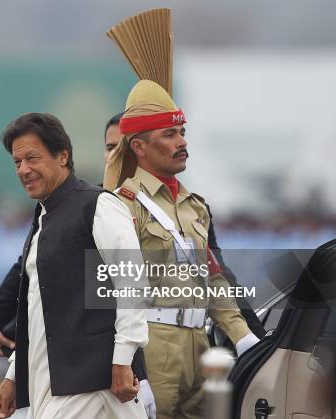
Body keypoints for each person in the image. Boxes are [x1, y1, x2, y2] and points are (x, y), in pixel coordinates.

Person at [102, 78, 261, 419]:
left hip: (201, 346)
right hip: (154, 346)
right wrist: (135, 369)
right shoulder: (123, 206)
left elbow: (213, 280)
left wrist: (243, 337)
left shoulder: (195, 207)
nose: (181, 142)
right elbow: (115, 294)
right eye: (169, 135)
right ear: (139, 147)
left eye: (182, 133)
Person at [0, 113, 148, 419]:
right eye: (17, 162)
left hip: (95, 384)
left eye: (32, 158)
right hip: (52, 384)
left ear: (63, 156)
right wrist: (12, 377)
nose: (24, 170)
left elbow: (133, 282)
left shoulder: (98, 205)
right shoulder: (42, 219)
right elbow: (38, 311)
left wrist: (123, 359)